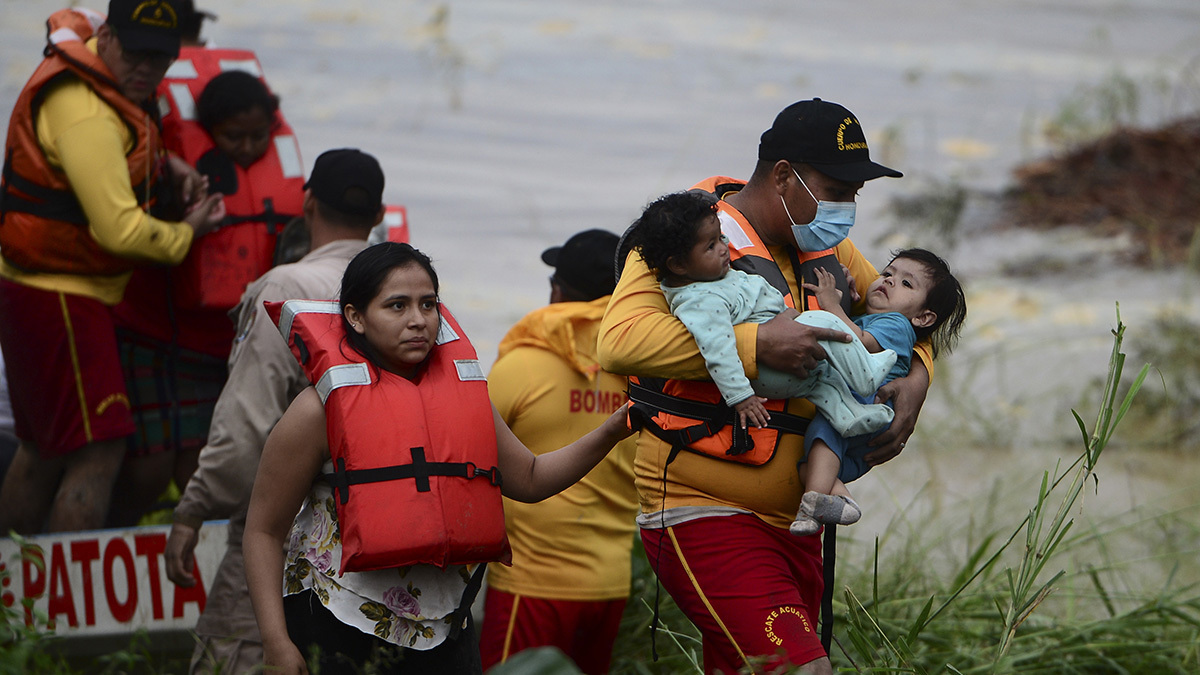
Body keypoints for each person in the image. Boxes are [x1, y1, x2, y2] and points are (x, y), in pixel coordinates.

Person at [598, 98, 933, 674]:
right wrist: (756, 348)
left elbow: (899, 305)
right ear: (784, 176)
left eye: (855, 192)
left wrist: (921, 370)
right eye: (837, 187)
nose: (848, 204)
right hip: (703, 510)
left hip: (795, 524)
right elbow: (619, 342)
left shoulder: (824, 247)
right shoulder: (688, 234)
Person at [243, 242, 632, 674]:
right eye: (397, 306)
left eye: (428, 305)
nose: (418, 320)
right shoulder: (317, 411)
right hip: (336, 620)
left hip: (445, 629)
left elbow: (533, 478)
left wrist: (613, 429)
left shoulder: (468, 402)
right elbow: (263, 529)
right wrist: (275, 642)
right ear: (355, 317)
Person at [0, 0, 224, 534]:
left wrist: (165, 164)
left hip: (46, 289)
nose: (148, 69)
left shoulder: (112, 87)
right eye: (137, 53)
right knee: (99, 451)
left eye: (161, 59)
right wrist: (189, 232)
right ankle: (68, 608)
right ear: (109, 37)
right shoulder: (82, 106)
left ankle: (11, 600)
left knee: (42, 450)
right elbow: (119, 230)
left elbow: (115, 159)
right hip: (59, 294)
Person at [163, 148, 381, 674]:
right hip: (381, 533)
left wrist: (192, 511)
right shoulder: (410, 293)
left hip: (283, 529)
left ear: (306, 202)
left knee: (233, 658)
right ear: (377, 216)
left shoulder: (287, 289)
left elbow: (246, 426)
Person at [108, 66, 304, 526]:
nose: (250, 147)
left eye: (260, 136)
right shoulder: (172, 171)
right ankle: (112, 539)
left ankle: (184, 546)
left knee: (195, 465)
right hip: (153, 336)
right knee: (147, 471)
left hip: (218, 346)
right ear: (209, 130)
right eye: (235, 136)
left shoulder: (285, 179)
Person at [478, 230, 639, 674]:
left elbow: (467, 457)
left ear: (556, 290)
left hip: (531, 585)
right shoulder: (644, 371)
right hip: (610, 584)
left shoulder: (520, 366)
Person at [791, 248, 965, 535]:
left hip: (862, 406)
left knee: (825, 434)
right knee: (808, 465)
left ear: (923, 318)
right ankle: (840, 498)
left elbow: (855, 341)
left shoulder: (896, 325)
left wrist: (832, 304)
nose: (889, 281)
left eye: (906, 284)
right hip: (867, 413)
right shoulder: (882, 319)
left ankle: (810, 510)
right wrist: (850, 299)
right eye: (887, 273)